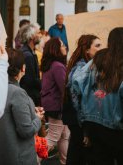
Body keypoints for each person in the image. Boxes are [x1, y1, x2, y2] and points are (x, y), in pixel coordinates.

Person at [71, 27, 123, 165]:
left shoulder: (98, 58)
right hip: (117, 127)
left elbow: (76, 84)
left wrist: (83, 119)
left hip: (94, 125)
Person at [0, 48, 44, 165]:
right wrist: (37, 119)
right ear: (23, 68)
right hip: (19, 156)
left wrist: (30, 109)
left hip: (0, 154)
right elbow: (26, 130)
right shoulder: (17, 92)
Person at [63, 34, 101, 165]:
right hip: (79, 121)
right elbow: (78, 101)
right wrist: (86, 130)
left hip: (76, 120)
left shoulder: (84, 65)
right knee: (80, 155)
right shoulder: (82, 68)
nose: (100, 49)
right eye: (97, 46)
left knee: (76, 152)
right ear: (87, 50)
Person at [41, 37, 69, 165]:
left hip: (51, 105)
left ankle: (65, 162)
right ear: (56, 49)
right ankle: (32, 159)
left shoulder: (51, 65)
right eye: (62, 45)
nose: (65, 48)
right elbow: (64, 87)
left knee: (63, 136)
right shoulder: (58, 66)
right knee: (52, 138)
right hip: (57, 106)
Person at [19, 23, 42, 106]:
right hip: (30, 97)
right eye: (38, 33)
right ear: (31, 36)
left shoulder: (30, 52)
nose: (40, 35)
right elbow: (30, 80)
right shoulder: (28, 55)